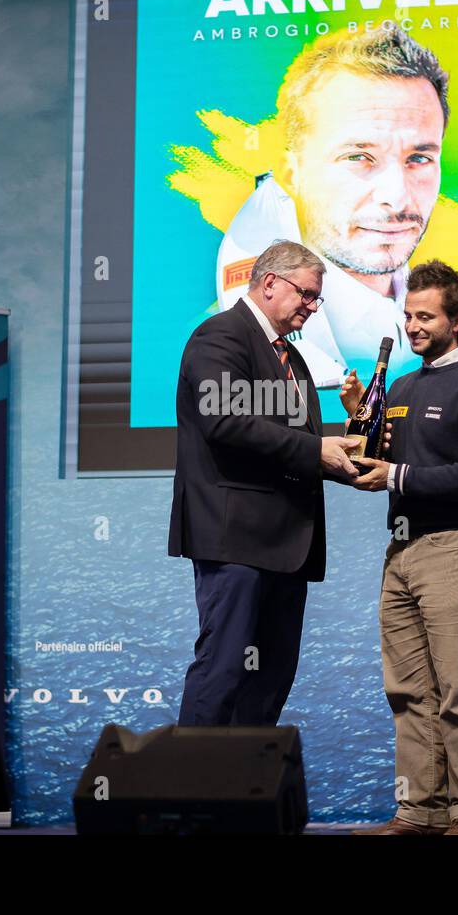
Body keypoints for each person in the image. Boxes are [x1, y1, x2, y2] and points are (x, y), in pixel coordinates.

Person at [343, 259, 458, 835]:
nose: (413, 325)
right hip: (400, 552)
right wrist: (357, 423)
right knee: (409, 693)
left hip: (456, 550)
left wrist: (395, 476)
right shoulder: (402, 386)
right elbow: (381, 457)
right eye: (408, 314)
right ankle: (419, 812)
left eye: (426, 316)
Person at [170, 239, 359, 726]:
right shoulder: (219, 336)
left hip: (288, 546)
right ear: (271, 282)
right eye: (308, 295)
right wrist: (317, 450)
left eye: (318, 299)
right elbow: (224, 422)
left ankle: (243, 794)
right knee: (224, 669)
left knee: (270, 679)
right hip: (236, 542)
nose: (313, 308)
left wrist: (349, 450)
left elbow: (296, 445)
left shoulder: (293, 360)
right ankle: (190, 799)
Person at [215, 26, 449, 388]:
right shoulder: (224, 344)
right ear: (292, 173)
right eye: (358, 156)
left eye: (418, 158)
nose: (397, 197)